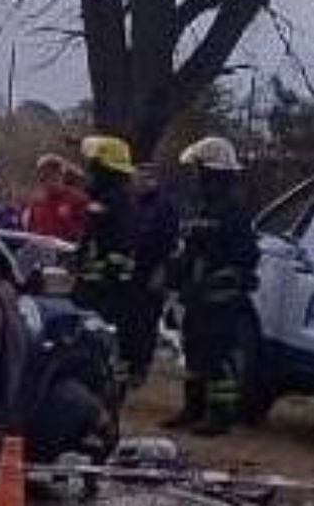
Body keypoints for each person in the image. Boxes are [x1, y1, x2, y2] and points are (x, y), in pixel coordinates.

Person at [163, 136, 260, 435]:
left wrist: (223, 277)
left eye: (200, 170)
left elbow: (247, 256)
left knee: (219, 356)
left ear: (214, 172)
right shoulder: (203, 207)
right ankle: (193, 409)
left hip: (222, 297)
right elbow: (190, 250)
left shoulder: (234, 211)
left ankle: (220, 416)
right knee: (194, 352)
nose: (197, 177)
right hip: (197, 295)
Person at [71, 135, 140, 387]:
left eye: (95, 165)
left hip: (108, 291)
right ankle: (98, 383)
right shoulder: (106, 198)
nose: (90, 171)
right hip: (95, 287)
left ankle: (111, 390)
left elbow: (120, 247)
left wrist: (104, 276)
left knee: (108, 340)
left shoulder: (119, 201)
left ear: (106, 168)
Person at [121, 166, 181, 385]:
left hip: (153, 271)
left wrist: (162, 271)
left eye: (146, 177)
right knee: (127, 321)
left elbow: (170, 243)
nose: (140, 182)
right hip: (132, 271)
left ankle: (139, 369)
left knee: (145, 322)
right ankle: (124, 367)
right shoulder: (133, 203)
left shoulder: (164, 206)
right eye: (138, 177)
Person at [23, 153, 88, 242]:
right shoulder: (37, 201)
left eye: (54, 175)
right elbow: (31, 229)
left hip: (68, 251)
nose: (50, 181)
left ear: (62, 175)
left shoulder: (78, 199)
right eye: (45, 177)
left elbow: (85, 230)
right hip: (43, 251)